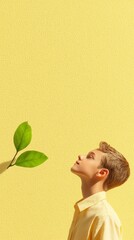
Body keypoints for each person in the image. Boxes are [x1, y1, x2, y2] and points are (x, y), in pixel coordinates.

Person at [67, 141, 130, 240]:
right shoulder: (83, 212)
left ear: (101, 173)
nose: (80, 156)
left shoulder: (105, 217)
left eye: (90, 157)